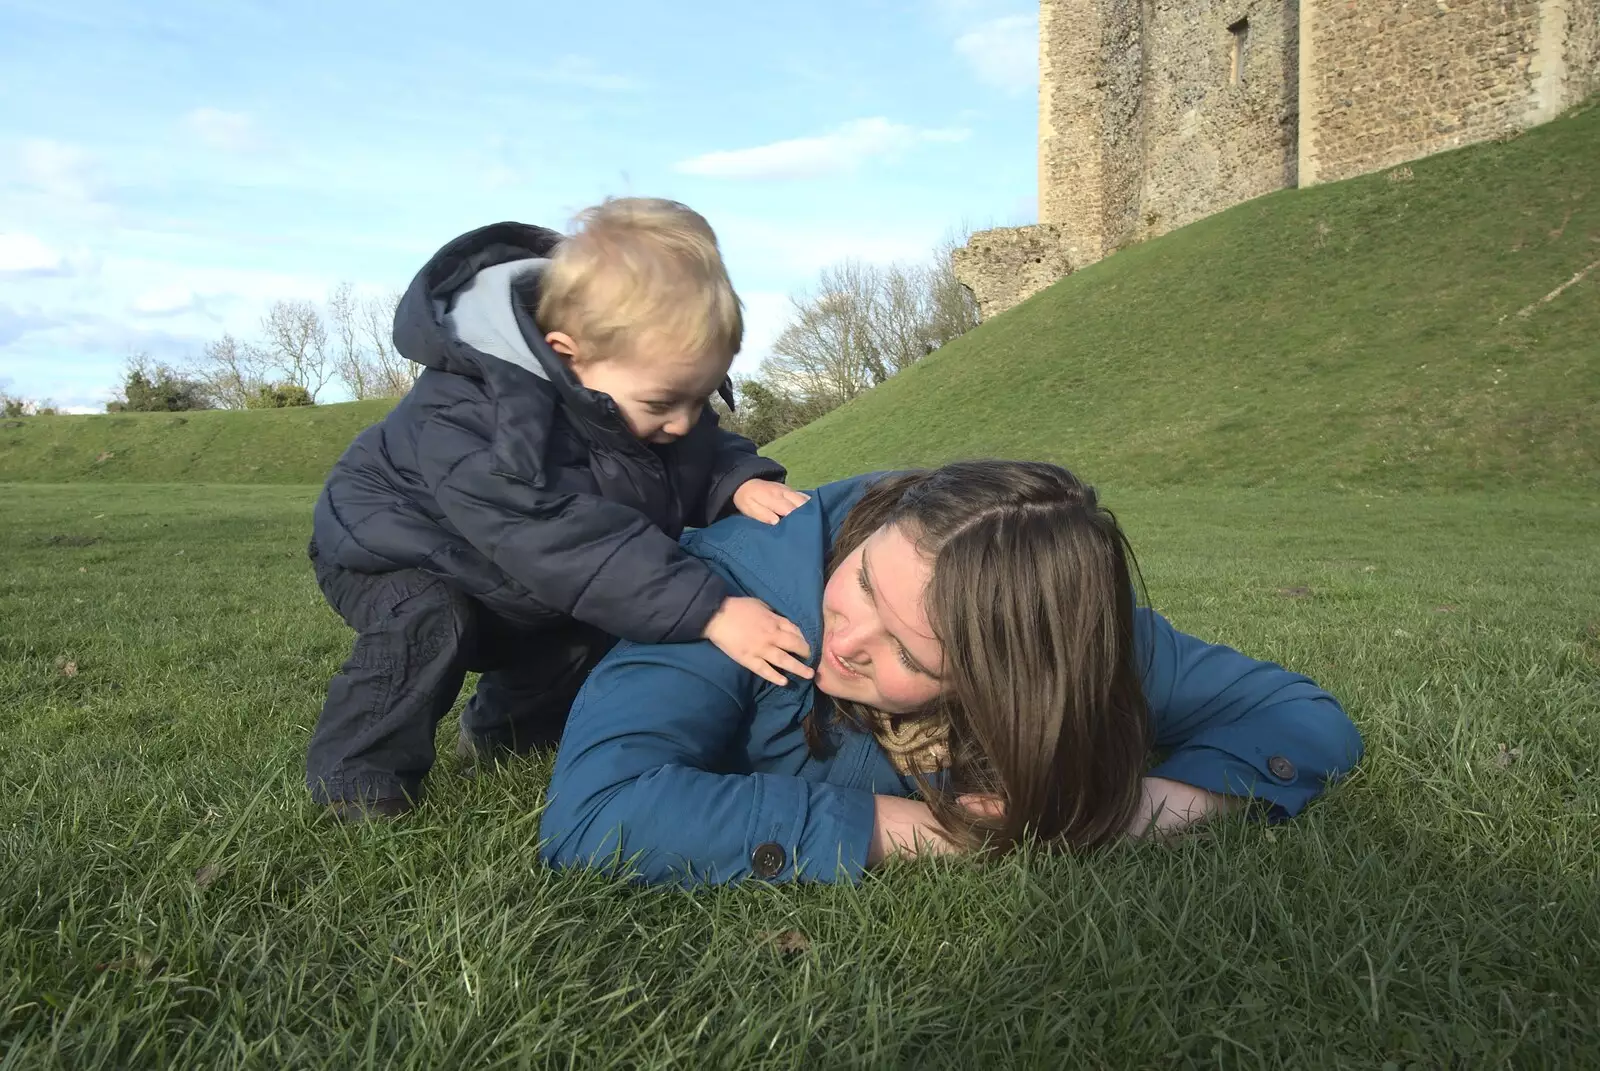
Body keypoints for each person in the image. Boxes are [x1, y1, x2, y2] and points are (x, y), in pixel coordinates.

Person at [539, 460, 1364, 885]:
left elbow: (1300, 715)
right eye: (861, 578)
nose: (848, 635)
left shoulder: (1058, 633)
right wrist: (914, 830)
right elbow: (597, 815)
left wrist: (1154, 804)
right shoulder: (722, 589)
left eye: (906, 649)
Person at [305, 198, 814, 820]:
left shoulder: (634, 393)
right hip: (392, 547)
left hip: (513, 566)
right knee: (429, 620)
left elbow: (695, 449)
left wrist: (736, 478)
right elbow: (560, 536)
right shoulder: (476, 415)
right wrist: (707, 609)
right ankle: (358, 780)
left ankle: (508, 736)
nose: (683, 423)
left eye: (699, 398)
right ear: (567, 352)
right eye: (663, 403)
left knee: (577, 626)